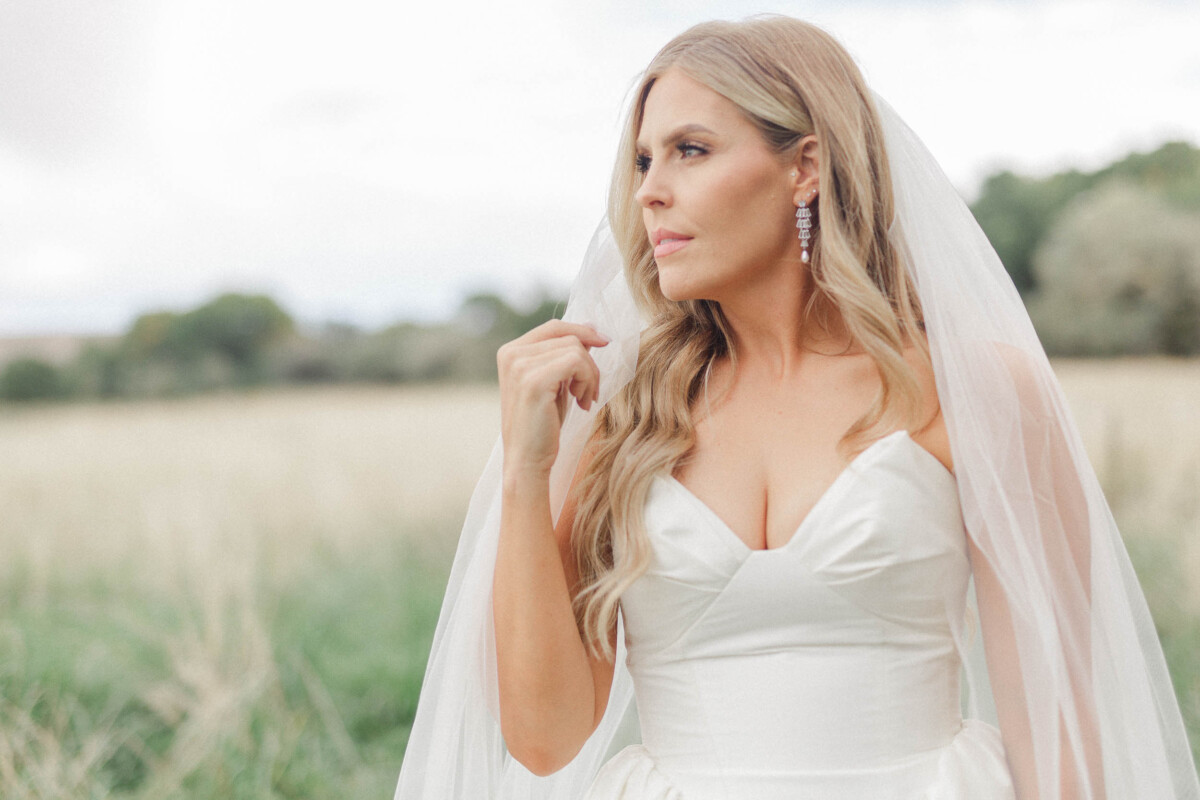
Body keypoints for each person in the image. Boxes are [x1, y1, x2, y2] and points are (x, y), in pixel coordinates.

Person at [394, 15, 1200, 800]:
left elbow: (1057, 724)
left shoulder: (977, 392)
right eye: (642, 161)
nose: (649, 192)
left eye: (690, 151)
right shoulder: (624, 422)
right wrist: (526, 475)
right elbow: (545, 741)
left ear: (805, 167)